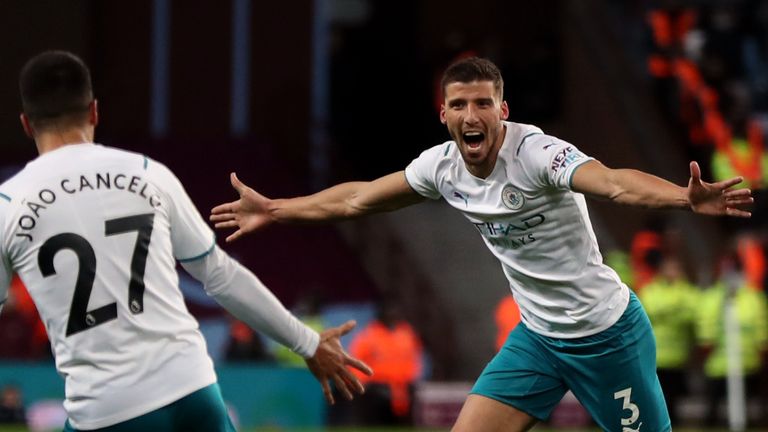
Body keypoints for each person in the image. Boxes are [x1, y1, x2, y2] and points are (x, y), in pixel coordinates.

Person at [210, 56, 753, 432]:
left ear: (503, 111)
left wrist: (685, 199)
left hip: (605, 336)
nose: (472, 115)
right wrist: (277, 209)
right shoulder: (440, 168)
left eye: (483, 103)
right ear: (443, 114)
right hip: (538, 340)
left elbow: (611, 181)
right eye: (460, 104)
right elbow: (357, 200)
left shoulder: (538, 154)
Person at [0, 51, 372, 432]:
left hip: (106, 411)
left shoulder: (8, 204)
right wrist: (307, 343)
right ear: (94, 111)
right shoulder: (148, 174)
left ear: (27, 124)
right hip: (192, 395)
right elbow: (221, 275)